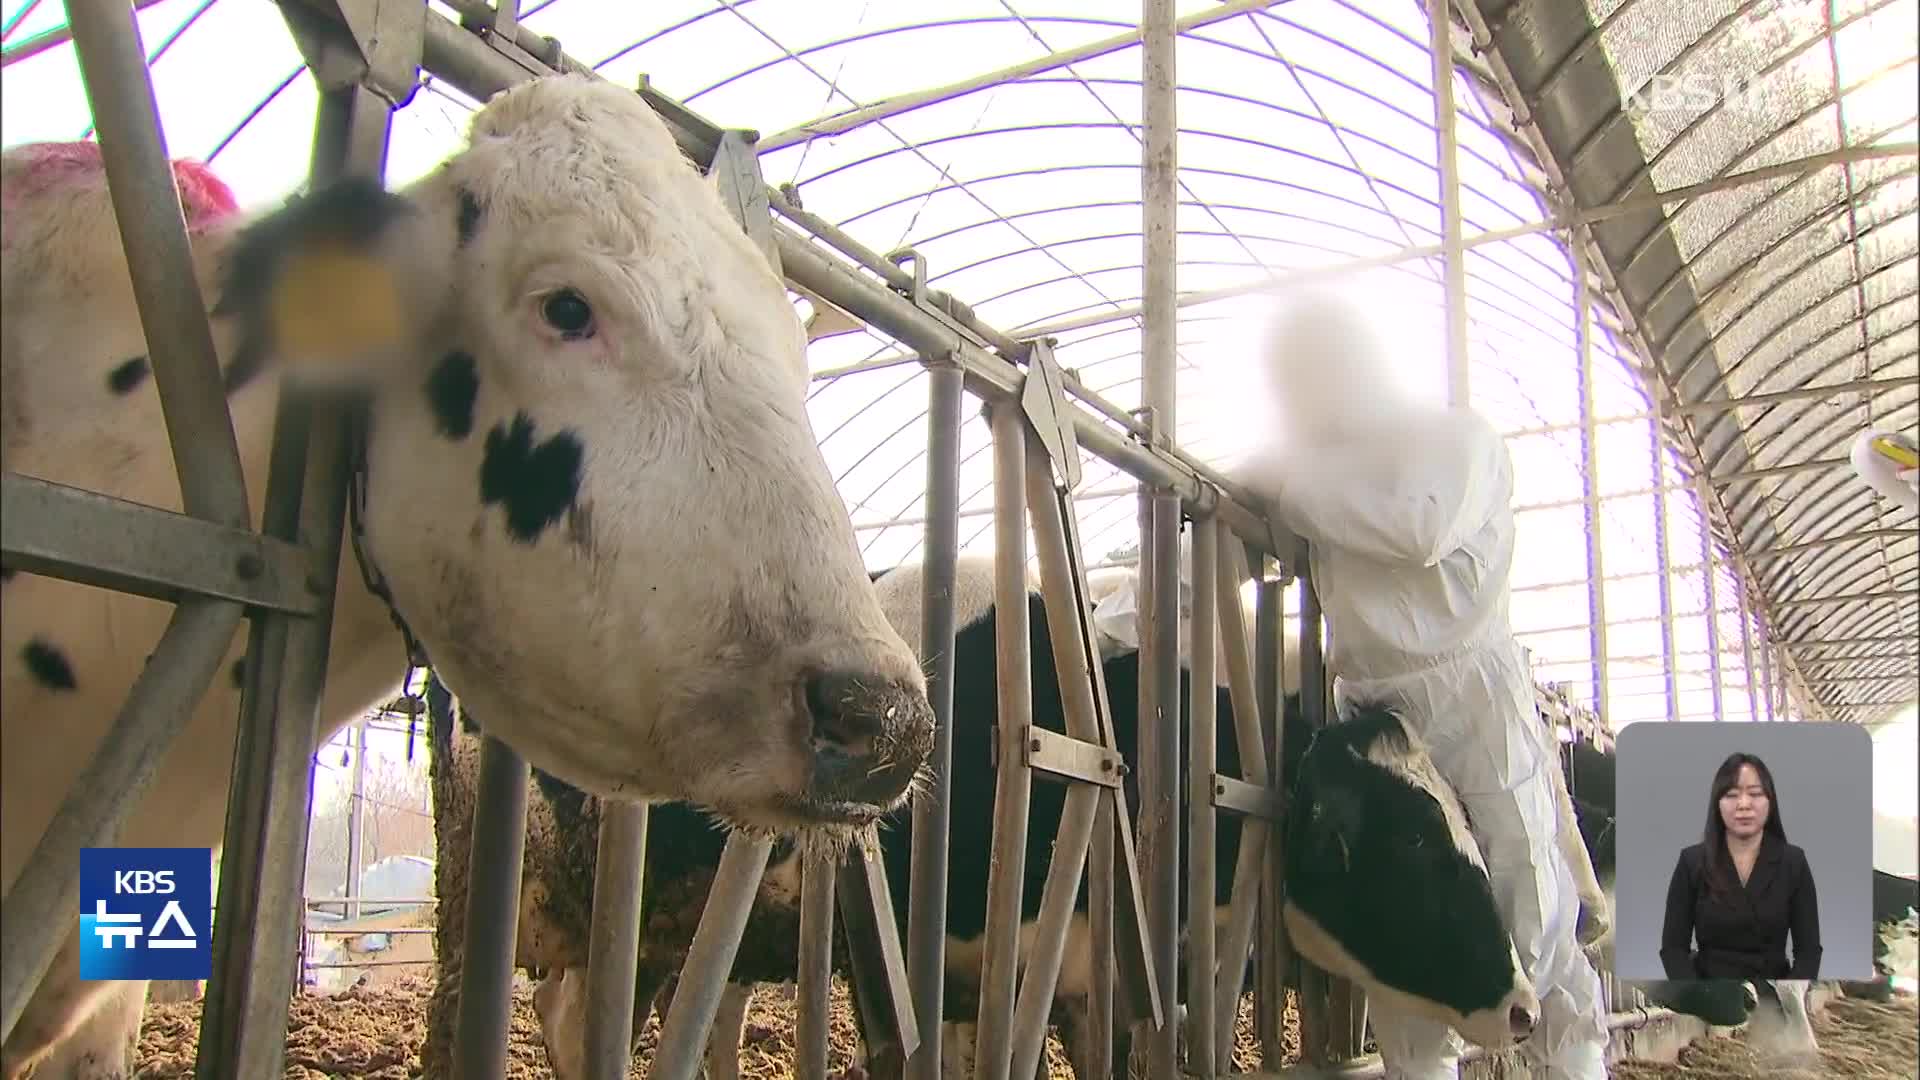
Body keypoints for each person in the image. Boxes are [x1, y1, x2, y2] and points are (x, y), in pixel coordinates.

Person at [1225, 286, 1610, 1080]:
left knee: (1525, 890)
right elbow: (1236, 564)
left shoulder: (1452, 439)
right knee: (1405, 924)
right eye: (1291, 379)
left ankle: (1567, 1062)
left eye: (1314, 371)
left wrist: (1288, 483)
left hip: (1469, 690)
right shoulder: (1324, 473)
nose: (1303, 394)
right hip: (1374, 709)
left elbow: (1420, 528)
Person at [1659, 751, 1823, 982]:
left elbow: (1809, 952)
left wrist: (1786, 1000)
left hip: (1774, 999)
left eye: (1755, 794)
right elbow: (1673, 949)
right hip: (1709, 999)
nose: (1744, 805)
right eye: (1732, 795)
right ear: (1717, 803)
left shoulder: (1793, 863)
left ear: (1770, 802)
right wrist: (1697, 997)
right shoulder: (1692, 862)